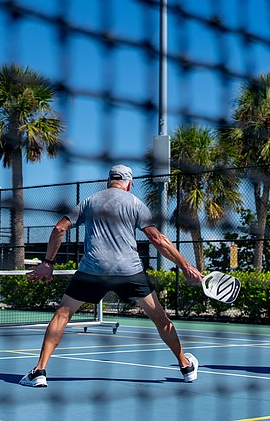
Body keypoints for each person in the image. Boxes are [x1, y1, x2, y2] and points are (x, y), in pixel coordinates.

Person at [19, 165, 204, 387]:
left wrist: (48, 263)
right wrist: (185, 266)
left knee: (62, 315)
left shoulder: (90, 201)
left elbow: (60, 228)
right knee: (160, 319)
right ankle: (185, 366)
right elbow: (158, 239)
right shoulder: (135, 203)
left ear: (109, 181)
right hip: (130, 271)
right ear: (130, 183)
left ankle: (39, 372)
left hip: (93, 270)